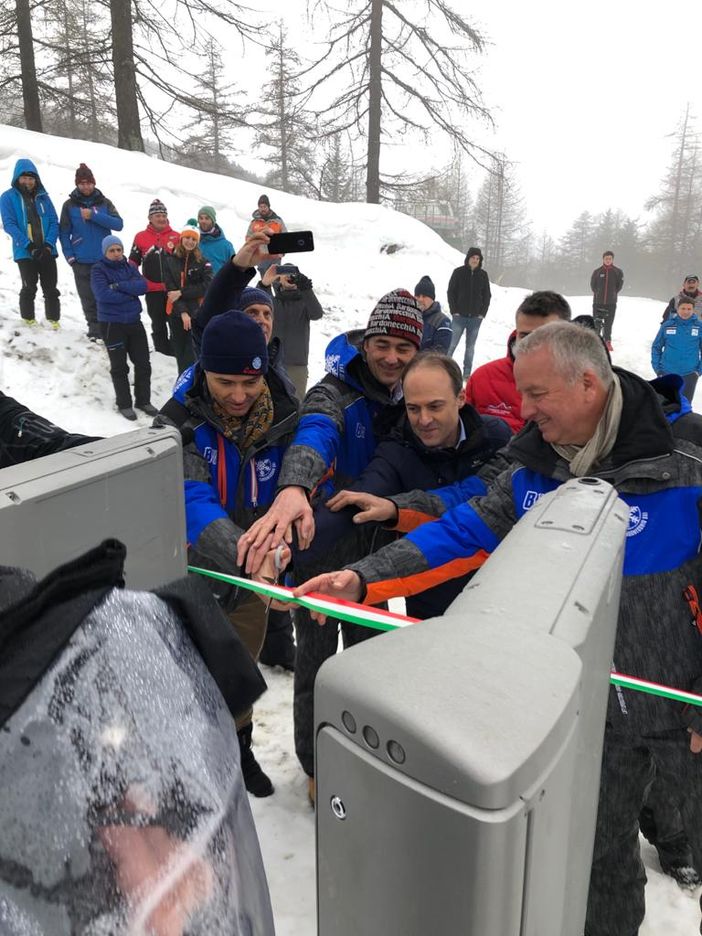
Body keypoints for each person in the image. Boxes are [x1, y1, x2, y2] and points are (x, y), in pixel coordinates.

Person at [296, 320, 702, 936]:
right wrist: (362, 578)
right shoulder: (534, 466)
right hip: (593, 710)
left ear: (588, 384)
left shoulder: (686, 461)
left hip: (687, 704)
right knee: (599, 859)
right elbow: (463, 531)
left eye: (536, 395)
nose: (522, 410)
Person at [286, 352, 509, 782]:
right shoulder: (397, 447)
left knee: (482, 694)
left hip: (490, 592)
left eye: (435, 406)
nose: (422, 419)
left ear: (461, 399)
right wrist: (292, 551)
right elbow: (358, 501)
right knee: (433, 692)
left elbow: (482, 498)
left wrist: (397, 508)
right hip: (428, 589)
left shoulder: (496, 437)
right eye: (412, 407)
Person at [236, 290, 424, 802]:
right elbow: (316, 431)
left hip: (380, 560)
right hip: (321, 551)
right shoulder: (335, 390)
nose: (390, 357)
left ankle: (367, 756)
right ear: (365, 344)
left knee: (370, 668)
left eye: (403, 348)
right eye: (381, 344)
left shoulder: (417, 399)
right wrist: (295, 485)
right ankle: (316, 763)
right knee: (316, 668)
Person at [155, 309, 298, 797]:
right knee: (187, 675)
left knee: (239, 670)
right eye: (224, 382)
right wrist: (248, 553)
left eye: (249, 382)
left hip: (254, 582)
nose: (238, 396)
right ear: (203, 371)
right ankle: (190, 762)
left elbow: (290, 492)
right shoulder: (178, 422)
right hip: (194, 575)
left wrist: (277, 552)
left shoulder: (285, 417)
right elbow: (191, 497)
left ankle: (239, 751)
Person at [465, 291, 572, 433]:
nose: (532, 344)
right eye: (525, 335)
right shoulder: (483, 378)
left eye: (543, 336)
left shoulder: (580, 385)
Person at [91, 235, 157, 421]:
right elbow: (103, 295)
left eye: (118, 249)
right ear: (105, 252)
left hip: (134, 322)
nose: (116, 253)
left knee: (143, 364)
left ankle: (143, 400)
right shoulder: (98, 270)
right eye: (112, 250)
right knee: (119, 367)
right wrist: (129, 292)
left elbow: (143, 286)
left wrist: (119, 286)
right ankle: (124, 404)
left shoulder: (129, 266)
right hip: (112, 324)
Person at [59, 163, 123, 340]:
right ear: (77, 184)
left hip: (105, 260)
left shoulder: (104, 202)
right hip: (81, 260)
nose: (86, 186)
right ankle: (95, 331)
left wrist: (94, 215)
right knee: (88, 298)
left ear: (94, 183)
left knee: (107, 296)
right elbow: (64, 232)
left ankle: (110, 328)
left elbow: (118, 224)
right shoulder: (69, 205)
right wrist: (70, 257)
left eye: (89, 183)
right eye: (82, 183)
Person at [0, 158, 61, 328]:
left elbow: (54, 221)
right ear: (17, 178)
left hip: (47, 250)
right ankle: (28, 320)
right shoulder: (7, 197)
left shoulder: (44, 197)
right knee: (29, 286)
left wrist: (49, 245)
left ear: (36, 179)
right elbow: (9, 224)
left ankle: (53, 320)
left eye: (31, 178)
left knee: (51, 287)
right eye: (24, 177)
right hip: (25, 251)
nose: (27, 181)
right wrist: (29, 246)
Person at [260, 263, 324, 400]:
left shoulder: (305, 302)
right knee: (268, 402)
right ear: (279, 279)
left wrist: (306, 290)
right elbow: (257, 303)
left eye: (293, 274)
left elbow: (317, 314)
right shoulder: (272, 301)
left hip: (297, 364)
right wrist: (265, 283)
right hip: (272, 362)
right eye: (285, 273)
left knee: (297, 404)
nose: (289, 276)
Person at [161, 222, 213, 377]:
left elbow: (207, 285)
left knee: (193, 354)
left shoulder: (203, 262)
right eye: (187, 238)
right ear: (182, 238)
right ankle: (182, 388)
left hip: (196, 313)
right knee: (180, 354)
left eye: (193, 239)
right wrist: (183, 312)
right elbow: (171, 290)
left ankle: (194, 386)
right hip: (177, 314)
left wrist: (182, 292)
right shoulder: (170, 260)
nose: (190, 241)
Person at [129, 199, 180, 355]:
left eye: (163, 215)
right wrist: (140, 281)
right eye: (157, 215)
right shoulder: (140, 237)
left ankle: (176, 350)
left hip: (173, 291)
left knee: (175, 321)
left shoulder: (176, 237)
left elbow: (184, 262)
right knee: (157, 323)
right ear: (150, 218)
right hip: (152, 290)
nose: (161, 219)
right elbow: (132, 263)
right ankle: (161, 352)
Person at [447, 247, 491, 377]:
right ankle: (444, 368)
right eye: (473, 258)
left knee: (470, 348)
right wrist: (454, 310)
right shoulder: (458, 272)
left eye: (478, 258)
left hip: (475, 319)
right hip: (459, 317)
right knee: (451, 345)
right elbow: (451, 292)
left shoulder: (483, 275)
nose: (475, 260)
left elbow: (487, 295)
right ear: (468, 258)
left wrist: (482, 313)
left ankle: (466, 373)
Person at [651, 298, 702, 405]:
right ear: (678, 309)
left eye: (689, 309)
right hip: (667, 373)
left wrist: (698, 371)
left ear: (693, 310)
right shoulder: (667, 325)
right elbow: (656, 347)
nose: (686, 311)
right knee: (666, 406)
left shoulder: (699, 326)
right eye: (683, 308)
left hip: (689, 375)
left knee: (685, 406)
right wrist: (658, 370)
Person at [590, 249, 624, 352]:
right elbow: (593, 285)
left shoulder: (618, 272)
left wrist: (613, 293)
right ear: (603, 259)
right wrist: (598, 293)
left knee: (609, 324)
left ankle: (607, 341)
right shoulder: (597, 272)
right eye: (606, 259)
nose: (608, 260)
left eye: (610, 259)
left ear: (612, 259)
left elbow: (619, 286)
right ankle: (596, 342)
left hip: (611, 303)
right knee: (597, 324)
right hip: (598, 303)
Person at [246, 195, 286, 276]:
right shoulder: (254, 222)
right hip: (261, 258)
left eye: (264, 206)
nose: (262, 209)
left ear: (268, 207)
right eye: (260, 206)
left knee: (277, 283)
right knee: (264, 284)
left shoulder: (278, 221)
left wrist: (283, 252)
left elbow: (285, 238)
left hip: (275, 257)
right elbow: (248, 238)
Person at [414, 275, 452, 353]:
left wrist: (415, 358)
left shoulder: (442, 321)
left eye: (424, 296)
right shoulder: (409, 317)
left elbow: (440, 351)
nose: (420, 299)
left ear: (432, 299)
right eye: (417, 296)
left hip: (427, 363)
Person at [196, 205, 234, 274]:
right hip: (194, 283)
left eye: (207, 218)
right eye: (201, 218)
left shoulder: (226, 246)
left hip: (218, 283)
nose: (203, 221)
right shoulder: (192, 241)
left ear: (213, 221)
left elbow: (234, 270)